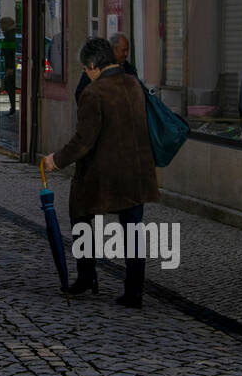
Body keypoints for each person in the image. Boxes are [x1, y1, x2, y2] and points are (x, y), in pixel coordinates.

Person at [45, 36, 159, 309]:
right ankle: (135, 291)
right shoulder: (133, 84)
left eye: (86, 68)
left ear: (94, 65)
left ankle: (86, 276)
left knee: (81, 216)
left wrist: (56, 161)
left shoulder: (93, 93)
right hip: (137, 170)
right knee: (132, 228)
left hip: (102, 173)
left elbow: (84, 141)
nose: (86, 72)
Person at [74, 32, 137, 104]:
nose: (126, 54)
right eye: (123, 50)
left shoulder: (130, 70)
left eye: (127, 50)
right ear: (113, 49)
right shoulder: (94, 71)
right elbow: (80, 94)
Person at [0, 16, 19, 115]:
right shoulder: (12, 34)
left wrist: (10, 67)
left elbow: (9, 52)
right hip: (12, 66)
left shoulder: (10, 36)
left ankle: (13, 107)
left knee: (10, 85)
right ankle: (13, 107)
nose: (1, 28)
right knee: (9, 85)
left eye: (1, 25)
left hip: (12, 66)